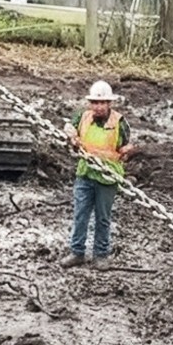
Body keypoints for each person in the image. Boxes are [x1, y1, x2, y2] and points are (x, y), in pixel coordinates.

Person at [60, 81, 139, 269]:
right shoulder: (82, 117)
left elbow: (126, 147)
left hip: (107, 177)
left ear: (109, 103)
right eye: (95, 102)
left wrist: (128, 151)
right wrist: (70, 136)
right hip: (85, 174)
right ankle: (77, 252)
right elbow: (71, 134)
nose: (98, 106)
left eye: (102, 102)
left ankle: (101, 255)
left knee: (103, 217)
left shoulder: (119, 122)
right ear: (90, 103)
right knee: (80, 215)